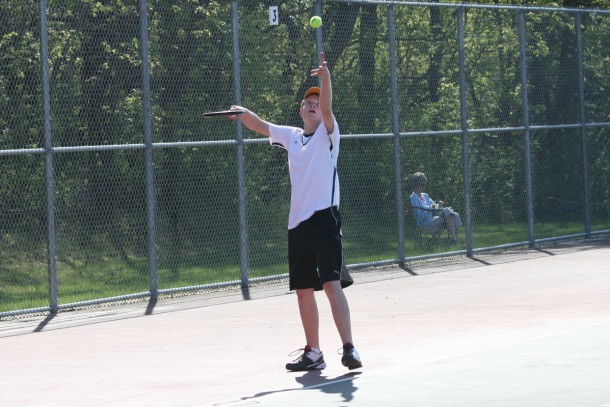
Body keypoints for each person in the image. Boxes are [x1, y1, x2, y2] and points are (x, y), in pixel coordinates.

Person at [227, 52, 362, 372]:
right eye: (308, 102)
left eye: (317, 101)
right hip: (297, 224)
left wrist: (325, 79)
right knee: (303, 291)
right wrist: (244, 113)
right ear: (301, 110)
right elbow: (260, 125)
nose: (314, 104)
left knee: (331, 284)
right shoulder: (292, 136)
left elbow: (328, 107)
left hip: (324, 218)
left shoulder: (329, 134)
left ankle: (349, 348)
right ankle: (313, 352)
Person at [409, 172, 462, 243]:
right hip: (425, 225)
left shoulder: (425, 195)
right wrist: (431, 210)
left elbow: (435, 208)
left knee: (452, 213)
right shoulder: (413, 198)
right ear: (415, 184)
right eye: (421, 185)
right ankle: (454, 239)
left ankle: (454, 239)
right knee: (450, 214)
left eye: (424, 185)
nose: (423, 187)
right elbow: (419, 217)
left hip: (434, 220)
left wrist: (439, 205)